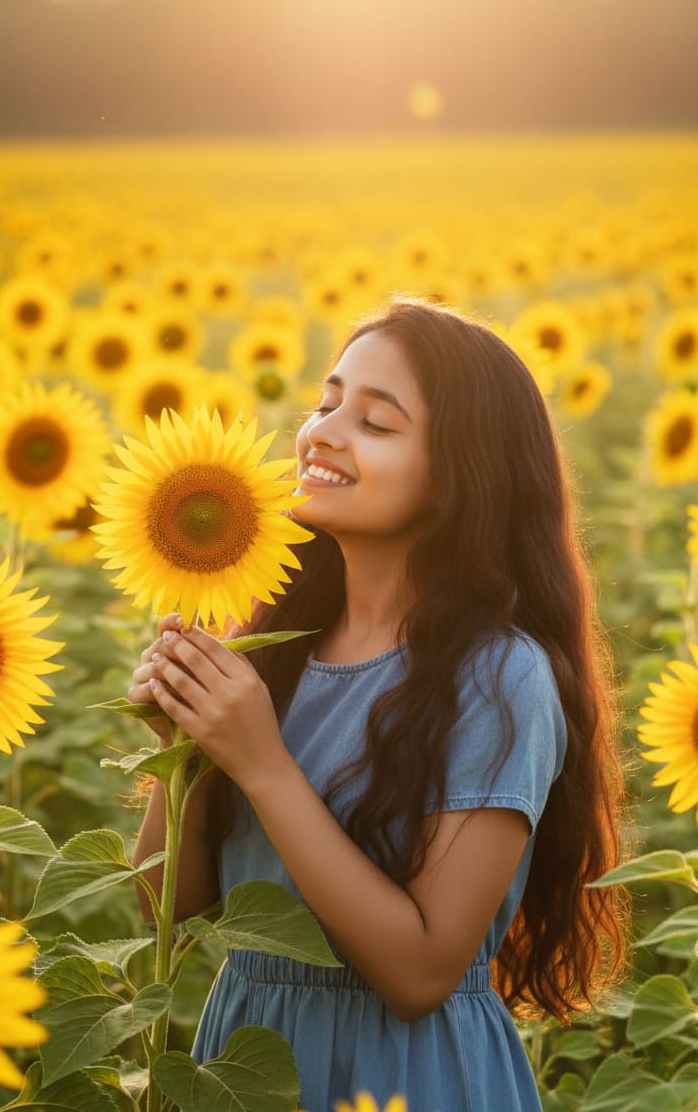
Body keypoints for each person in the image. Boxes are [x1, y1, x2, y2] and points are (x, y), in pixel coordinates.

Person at [129, 298, 629, 1112]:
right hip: (247, 1059)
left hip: (408, 1072)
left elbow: (421, 971)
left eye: (376, 421)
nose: (321, 431)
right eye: (327, 402)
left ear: (457, 477)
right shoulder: (272, 644)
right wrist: (179, 754)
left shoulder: (500, 677)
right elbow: (167, 908)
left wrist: (260, 761)